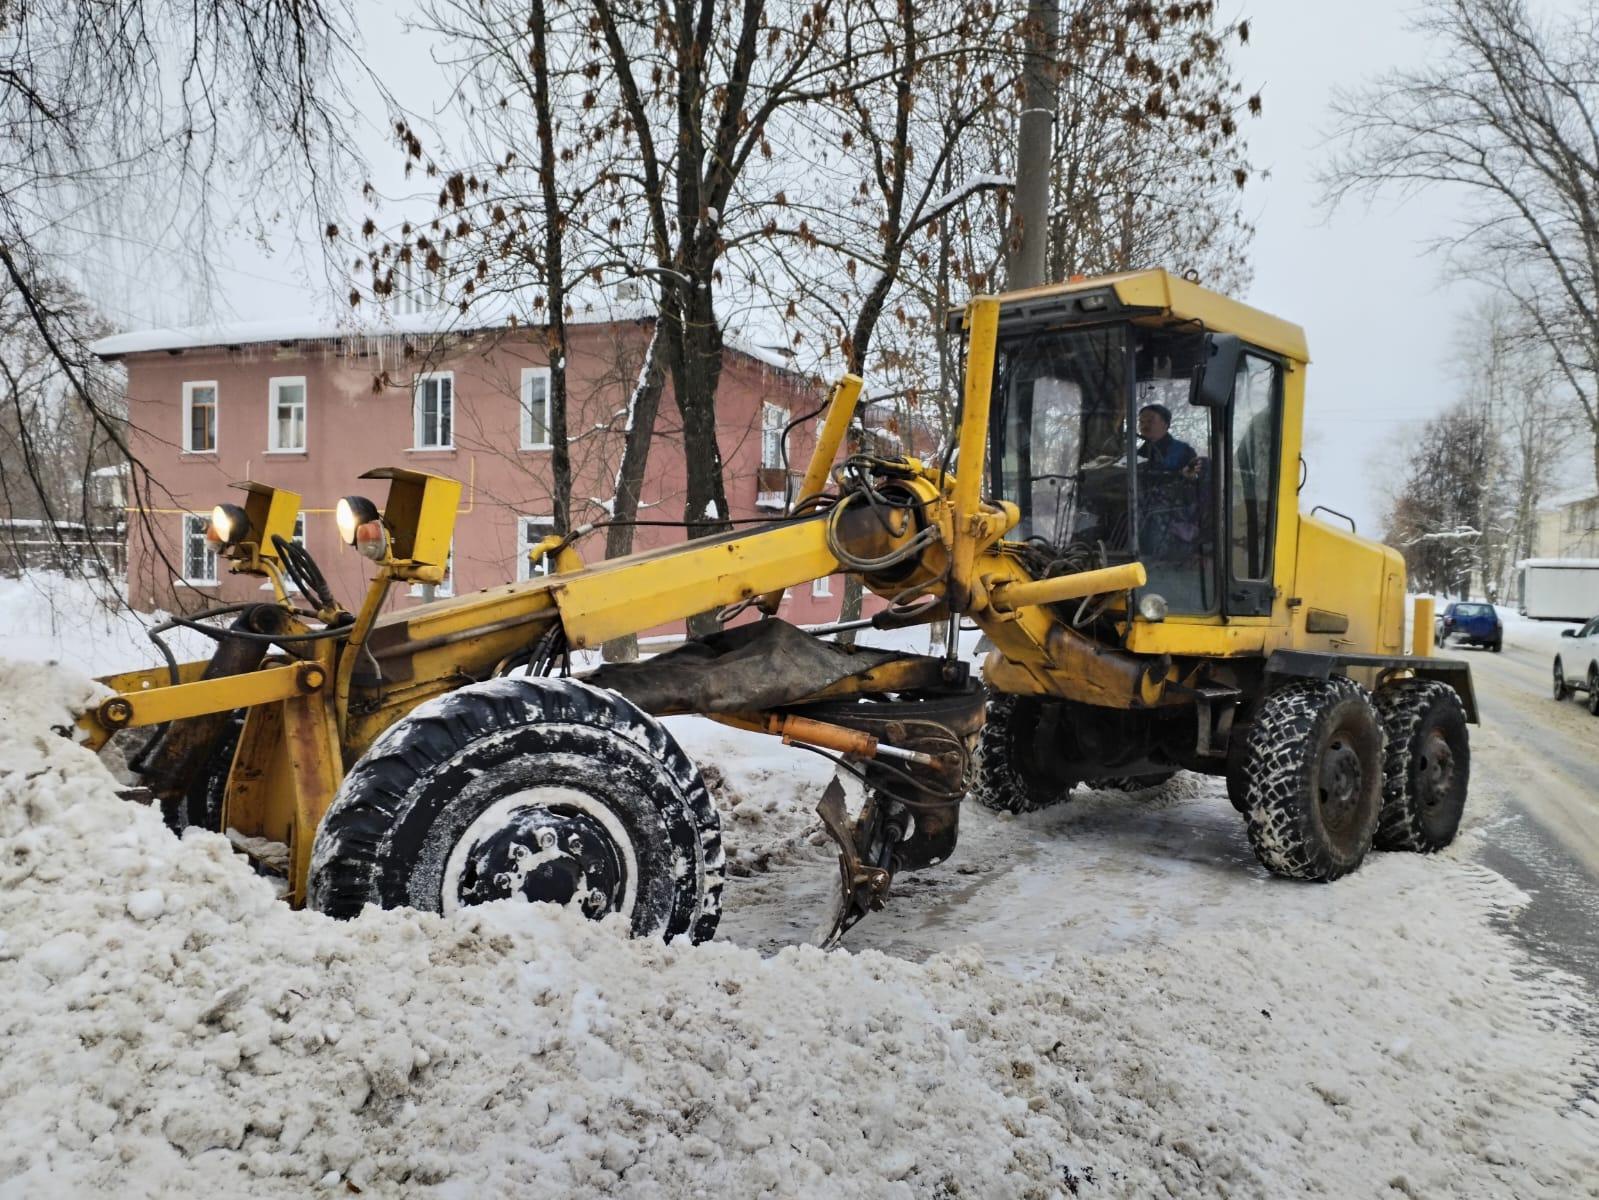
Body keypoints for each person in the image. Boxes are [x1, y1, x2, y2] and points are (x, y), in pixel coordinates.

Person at [1137, 403, 1198, 474]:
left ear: (1165, 424)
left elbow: (1193, 478)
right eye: (1141, 422)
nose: (1144, 426)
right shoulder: (1137, 454)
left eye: (1150, 421)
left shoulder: (1183, 451)